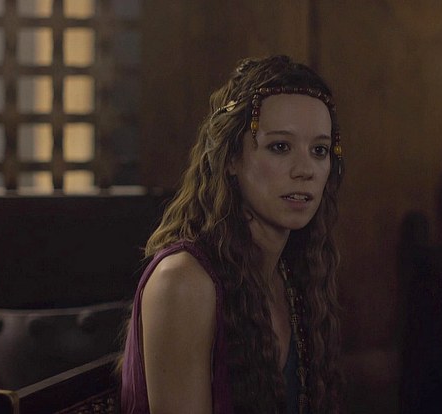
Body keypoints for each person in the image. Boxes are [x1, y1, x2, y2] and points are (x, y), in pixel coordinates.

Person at [120, 55, 345, 414]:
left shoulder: (292, 274)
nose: (306, 170)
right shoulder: (183, 281)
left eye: (319, 150)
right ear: (231, 159)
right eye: (280, 147)